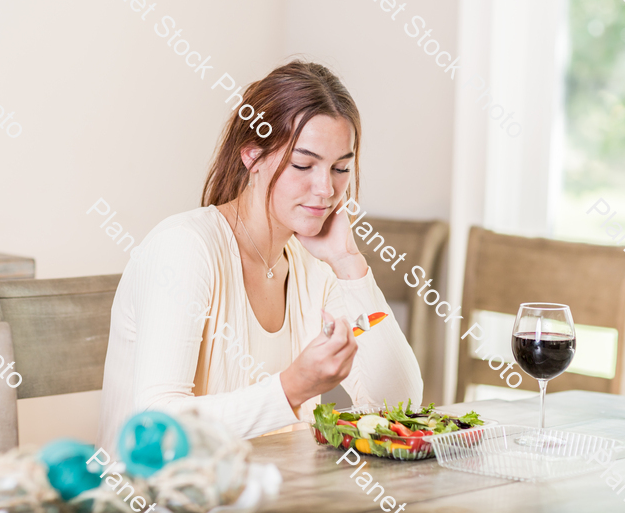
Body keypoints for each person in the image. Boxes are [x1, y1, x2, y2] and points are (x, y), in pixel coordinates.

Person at [97, 60, 423, 452]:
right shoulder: (184, 248)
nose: (325, 188)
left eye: (340, 168)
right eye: (303, 164)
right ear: (252, 156)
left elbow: (398, 405)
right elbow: (156, 425)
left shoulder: (317, 264)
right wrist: (291, 388)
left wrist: (349, 263)